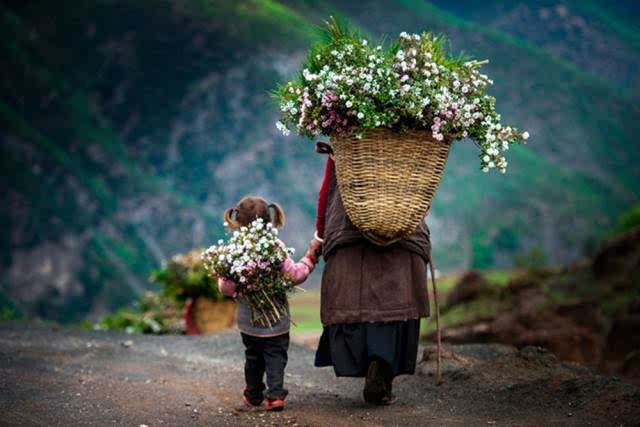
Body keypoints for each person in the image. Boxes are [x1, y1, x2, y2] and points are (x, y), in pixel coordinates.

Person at [312, 148, 432, 405]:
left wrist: (320, 235)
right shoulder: (414, 143)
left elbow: (327, 191)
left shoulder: (346, 141)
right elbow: (424, 193)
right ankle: (382, 368)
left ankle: (368, 363)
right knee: (396, 306)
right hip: (403, 232)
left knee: (354, 303)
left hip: (348, 230)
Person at [217, 196, 319, 411]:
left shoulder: (236, 251)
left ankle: (253, 394)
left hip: (248, 322)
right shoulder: (275, 246)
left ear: (238, 222)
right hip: (277, 321)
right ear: (270, 220)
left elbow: (226, 288)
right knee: (275, 356)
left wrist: (231, 280)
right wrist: (309, 259)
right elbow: (294, 276)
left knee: (253, 357)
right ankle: (274, 396)